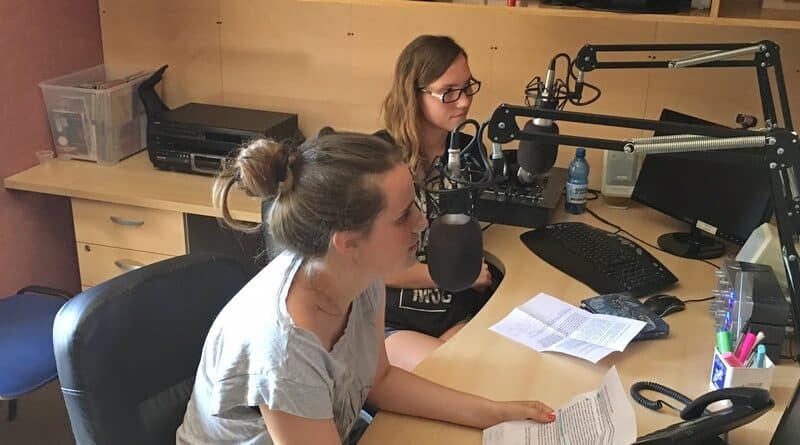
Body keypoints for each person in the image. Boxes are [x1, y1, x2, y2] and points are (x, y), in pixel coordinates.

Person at [175, 132, 554, 444]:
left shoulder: (360, 274)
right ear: (348, 242)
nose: (422, 222)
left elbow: (379, 380)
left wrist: (493, 413)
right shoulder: (285, 349)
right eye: (403, 215)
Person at [380, 35, 495, 371]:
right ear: (414, 93)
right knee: (449, 373)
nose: (464, 102)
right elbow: (371, 269)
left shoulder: (472, 154)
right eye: (448, 92)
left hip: (458, 315)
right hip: (393, 322)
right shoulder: (377, 163)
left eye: (468, 87)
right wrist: (456, 277)